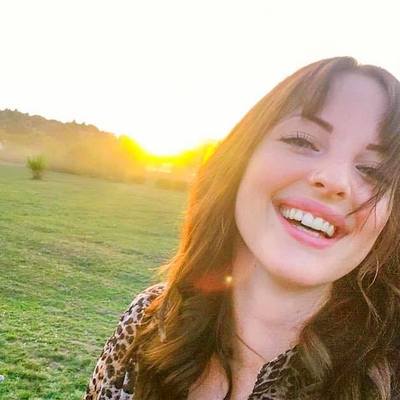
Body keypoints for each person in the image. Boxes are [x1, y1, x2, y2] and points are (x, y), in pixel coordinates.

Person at [83, 57, 400, 400]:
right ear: (241, 158)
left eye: (373, 171)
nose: (335, 181)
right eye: (304, 141)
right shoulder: (148, 322)